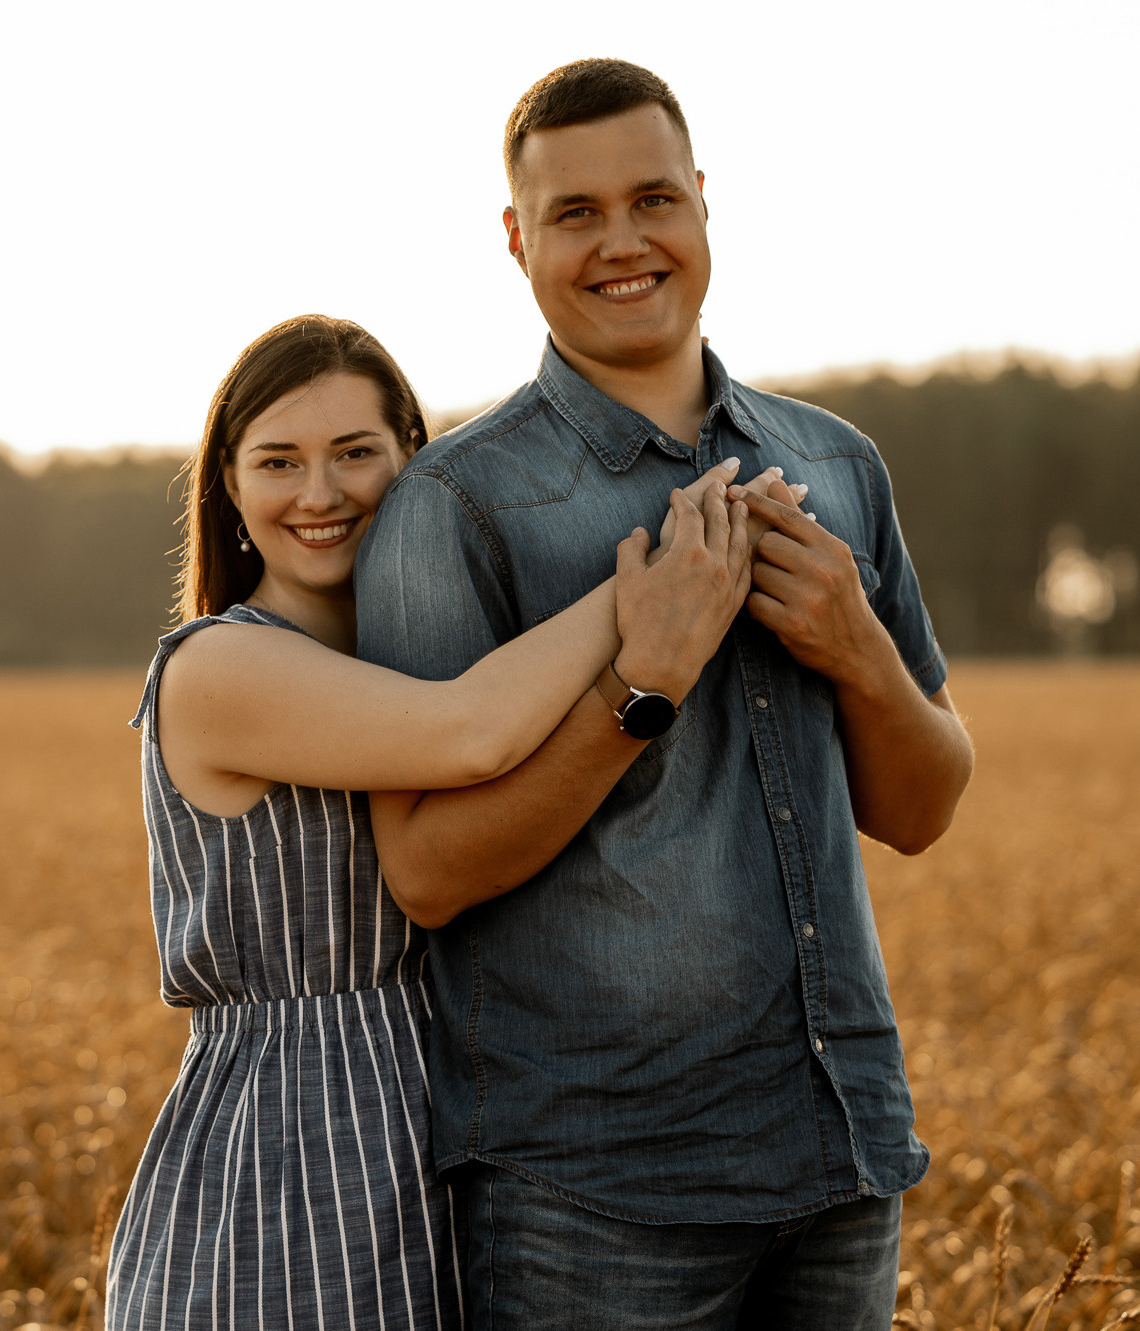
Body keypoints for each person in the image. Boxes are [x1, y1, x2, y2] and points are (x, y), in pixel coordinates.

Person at [353, 59, 976, 1329]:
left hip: (839, 1148)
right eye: (573, 213)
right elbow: (423, 870)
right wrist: (641, 683)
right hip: (590, 1189)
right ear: (516, 238)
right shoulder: (451, 507)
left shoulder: (832, 463)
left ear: (701, 205)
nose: (621, 242)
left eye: (651, 199)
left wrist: (854, 643)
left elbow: (919, 808)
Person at [102, 314, 799, 1329]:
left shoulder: (427, 653)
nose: (318, 492)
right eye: (277, 461)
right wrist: (653, 585)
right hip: (291, 1133)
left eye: (354, 453)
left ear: (413, 465)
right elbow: (468, 733)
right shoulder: (214, 668)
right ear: (228, 489)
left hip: (451, 1113)